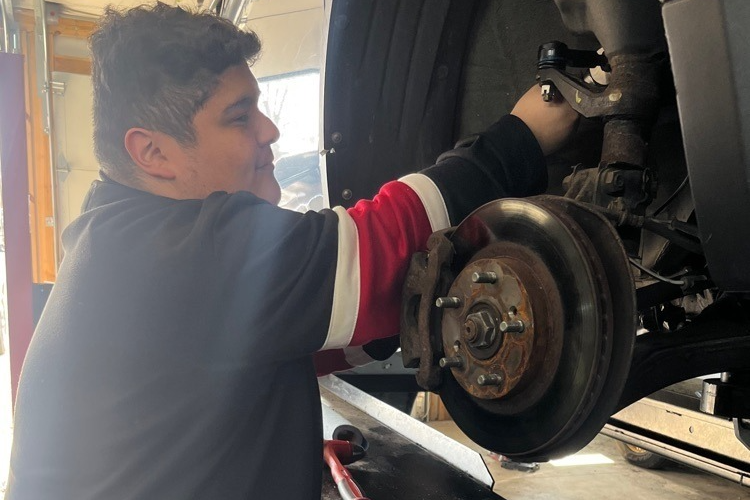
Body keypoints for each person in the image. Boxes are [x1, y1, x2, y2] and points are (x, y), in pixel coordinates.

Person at [6, 3, 577, 499]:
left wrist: (393, 318)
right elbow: (377, 246)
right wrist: (522, 135)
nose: (269, 130)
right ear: (153, 152)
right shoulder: (172, 253)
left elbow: (298, 341)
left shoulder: (117, 244)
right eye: (239, 116)